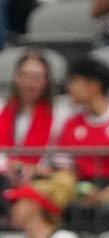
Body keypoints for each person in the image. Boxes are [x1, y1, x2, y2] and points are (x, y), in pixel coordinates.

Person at [51, 61, 109, 220]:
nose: (69, 88)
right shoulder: (71, 124)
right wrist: (83, 191)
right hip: (82, 187)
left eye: (74, 81)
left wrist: (105, 196)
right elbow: (66, 170)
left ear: (94, 86)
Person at [0, 51, 63, 187]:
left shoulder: (60, 114)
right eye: (25, 76)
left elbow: (59, 161)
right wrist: (9, 165)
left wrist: (34, 169)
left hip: (39, 181)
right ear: (16, 77)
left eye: (36, 78)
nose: (29, 83)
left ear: (46, 81)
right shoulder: (1, 109)